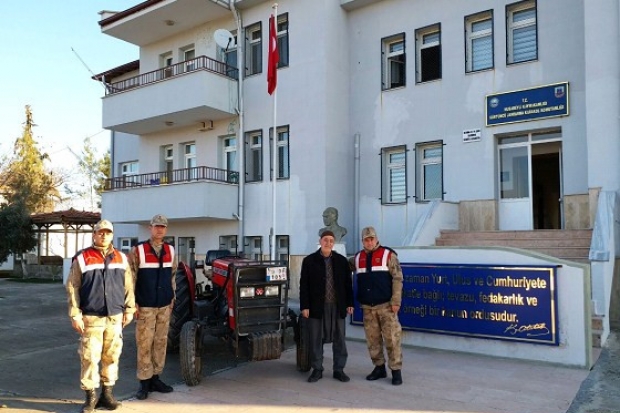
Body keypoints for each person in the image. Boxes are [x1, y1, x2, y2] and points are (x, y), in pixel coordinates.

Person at [66, 219, 135, 413]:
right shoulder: (82, 257)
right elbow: (73, 287)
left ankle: (107, 395)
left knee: (112, 356)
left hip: (115, 317)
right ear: (94, 234)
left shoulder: (121, 258)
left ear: (112, 235)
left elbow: (128, 285)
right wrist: (75, 314)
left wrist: (129, 309)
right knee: (89, 357)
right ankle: (91, 398)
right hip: (91, 318)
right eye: (100, 232)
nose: (104, 235)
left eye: (107, 232)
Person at [128, 214, 177, 400]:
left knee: (160, 342)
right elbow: (130, 278)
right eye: (156, 226)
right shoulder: (138, 250)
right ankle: (144, 382)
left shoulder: (171, 251)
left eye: (162, 227)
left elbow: (173, 276)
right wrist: (133, 303)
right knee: (144, 343)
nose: (159, 230)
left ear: (166, 229)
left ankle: (156, 378)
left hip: (164, 305)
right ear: (150, 228)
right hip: (145, 306)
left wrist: (173, 297)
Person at [300, 230, 354, 383]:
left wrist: (350, 303)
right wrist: (305, 306)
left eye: (331, 240)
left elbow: (347, 285)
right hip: (317, 306)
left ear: (334, 242)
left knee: (340, 339)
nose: (328, 243)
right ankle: (317, 369)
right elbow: (304, 285)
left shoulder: (342, 261)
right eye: (325, 240)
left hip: (337, 306)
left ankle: (339, 369)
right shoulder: (309, 261)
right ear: (320, 241)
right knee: (316, 339)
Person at [351, 226, 404, 385]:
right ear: (362, 241)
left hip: (386, 306)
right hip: (368, 308)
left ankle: (396, 371)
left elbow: (397, 278)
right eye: (366, 239)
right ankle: (379, 368)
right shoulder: (357, 258)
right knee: (373, 341)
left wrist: (396, 301)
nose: (369, 242)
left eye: (371, 239)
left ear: (376, 239)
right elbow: (341, 268)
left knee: (392, 340)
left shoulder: (388, 255)